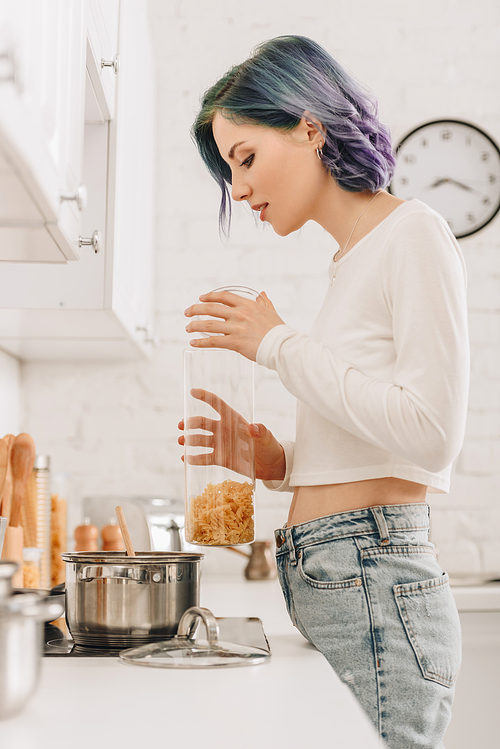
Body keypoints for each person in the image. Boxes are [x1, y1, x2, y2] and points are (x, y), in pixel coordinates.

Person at [179, 35, 469, 749]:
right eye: (228, 170)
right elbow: (378, 431)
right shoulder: (353, 260)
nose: (238, 189)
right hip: (344, 577)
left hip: (373, 576)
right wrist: (280, 463)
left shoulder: (415, 234)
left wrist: (275, 342)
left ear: (309, 126)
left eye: (244, 157)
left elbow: (432, 433)